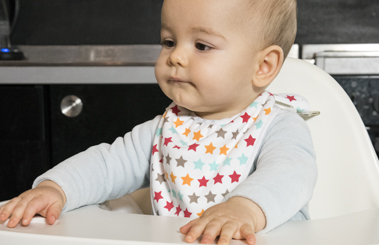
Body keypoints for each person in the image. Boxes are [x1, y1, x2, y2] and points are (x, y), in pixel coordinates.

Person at [0, 0, 317, 244]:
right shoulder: (165, 129)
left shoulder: (278, 125)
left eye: (201, 46)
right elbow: (107, 166)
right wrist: (56, 188)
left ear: (263, 66)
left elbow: (291, 175)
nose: (176, 56)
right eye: (168, 41)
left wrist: (244, 209)